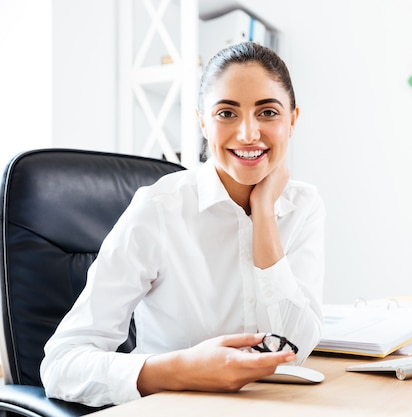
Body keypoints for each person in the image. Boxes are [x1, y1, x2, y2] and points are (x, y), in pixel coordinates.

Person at [40, 42, 325, 407]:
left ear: (292, 120)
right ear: (203, 122)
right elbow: (62, 365)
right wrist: (180, 369)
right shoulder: (158, 208)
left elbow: (294, 349)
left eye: (267, 112)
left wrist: (264, 213)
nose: (249, 133)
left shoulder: (302, 205)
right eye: (227, 113)